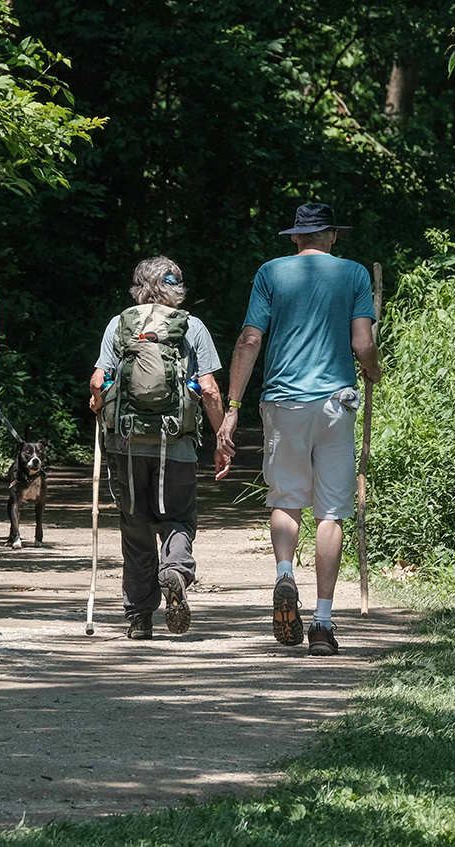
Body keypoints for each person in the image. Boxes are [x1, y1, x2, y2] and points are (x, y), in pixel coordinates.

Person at [216, 203, 381, 657]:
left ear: (295, 237)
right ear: (332, 235)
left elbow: (250, 340)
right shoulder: (354, 274)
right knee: (331, 511)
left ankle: (284, 574)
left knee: (287, 499)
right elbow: (362, 343)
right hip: (334, 403)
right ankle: (323, 624)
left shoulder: (271, 273)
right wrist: (374, 370)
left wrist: (232, 407)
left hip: (282, 401)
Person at [89, 257, 229, 640]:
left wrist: (97, 404)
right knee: (178, 519)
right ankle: (175, 571)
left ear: (138, 287)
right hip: (177, 444)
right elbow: (211, 390)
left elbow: (99, 381)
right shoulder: (192, 327)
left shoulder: (121, 324)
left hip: (127, 445)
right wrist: (222, 438)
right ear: (176, 288)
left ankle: (139, 618)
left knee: (135, 529)